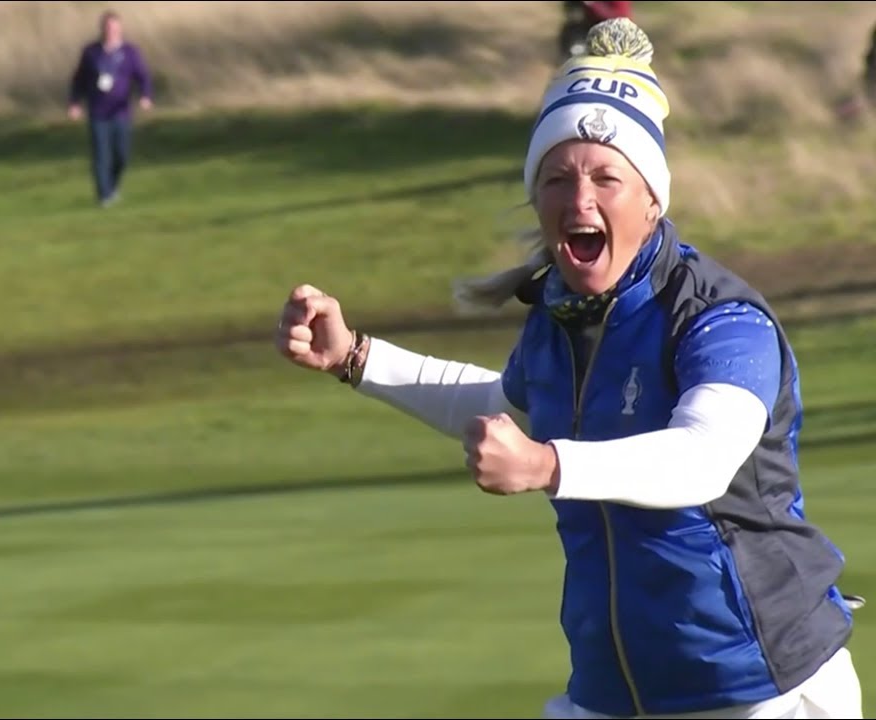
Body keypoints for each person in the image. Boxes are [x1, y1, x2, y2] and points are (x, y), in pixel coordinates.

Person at [274, 18, 863, 720]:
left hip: (763, 690)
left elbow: (701, 460)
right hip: (614, 693)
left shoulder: (719, 317)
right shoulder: (559, 317)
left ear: (652, 200)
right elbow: (506, 407)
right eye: (557, 178)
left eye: (607, 178)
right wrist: (356, 358)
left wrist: (547, 466)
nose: (580, 199)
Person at [66, 10, 154, 207]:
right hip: (97, 112)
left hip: (120, 111)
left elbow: (143, 77)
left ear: (120, 29)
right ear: (102, 29)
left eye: (115, 28)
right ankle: (104, 196)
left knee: (121, 155)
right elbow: (78, 80)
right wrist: (74, 103)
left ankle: (112, 187)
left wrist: (146, 96)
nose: (111, 32)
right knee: (100, 155)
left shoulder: (130, 52)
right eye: (107, 28)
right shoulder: (91, 52)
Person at [559, 1, 633, 62]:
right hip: (589, 27)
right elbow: (571, 10)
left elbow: (620, 16)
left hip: (614, 31)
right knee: (572, 29)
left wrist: (593, 4)